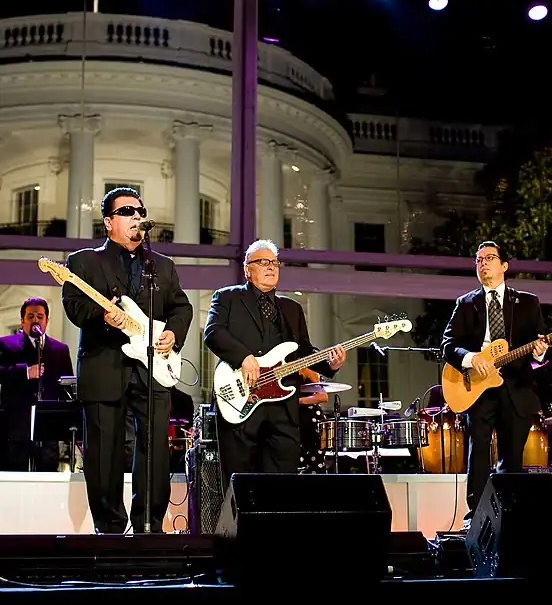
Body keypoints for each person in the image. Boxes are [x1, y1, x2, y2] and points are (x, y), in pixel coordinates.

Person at [62, 187, 194, 534]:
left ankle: (147, 524)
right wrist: (103, 316)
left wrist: (173, 334)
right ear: (108, 222)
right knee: (104, 451)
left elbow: (181, 307)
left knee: (155, 451)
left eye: (140, 210)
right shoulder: (83, 261)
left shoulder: (161, 266)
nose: (137, 216)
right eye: (127, 211)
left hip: (151, 368)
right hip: (104, 364)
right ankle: (109, 528)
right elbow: (75, 306)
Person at [204, 239, 346, 489]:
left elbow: (303, 351)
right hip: (242, 402)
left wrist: (330, 364)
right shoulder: (227, 297)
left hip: (284, 409)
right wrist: (244, 357)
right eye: (263, 262)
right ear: (247, 269)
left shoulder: (291, 308)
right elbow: (213, 333)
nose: (271, 267)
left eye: (275, 263)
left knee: (282, 486)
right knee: (241, 485)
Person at [440, 241, 549, 530]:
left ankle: (506, 516)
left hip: (516, 386)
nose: (483, 263)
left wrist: (540, 351)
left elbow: (539, 348)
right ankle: (475, 517)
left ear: (504, 266)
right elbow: (448, 345)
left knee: (512, 456)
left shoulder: (528, 302)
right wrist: (471, 358)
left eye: (489, 258)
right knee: (478, 452)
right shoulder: (466, 304)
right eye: (478, 260)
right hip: (477, 387)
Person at [0, 298, 74, 471]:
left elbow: (67, 387)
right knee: (14, 475)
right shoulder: (6, 344)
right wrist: (24, 372)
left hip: (48, 427)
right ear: (22, 321)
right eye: (30, 316)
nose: (35, 320)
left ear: (46, 321)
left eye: (40, 317)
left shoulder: (60, 349)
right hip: (15, 426)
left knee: (47, 474)